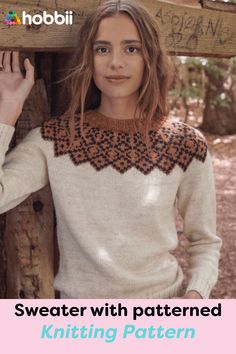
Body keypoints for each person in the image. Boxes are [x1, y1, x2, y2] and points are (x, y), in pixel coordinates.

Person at [0, 0, 222, 299]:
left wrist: (195, 296)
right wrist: (7, 113)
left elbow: (205, 242)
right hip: (80, 324)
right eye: (102, 49)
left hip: (163, 317)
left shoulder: (185, 144)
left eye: (131, 48)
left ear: (150, 57)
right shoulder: (56, 140)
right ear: (88, 59)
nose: (115, 62)